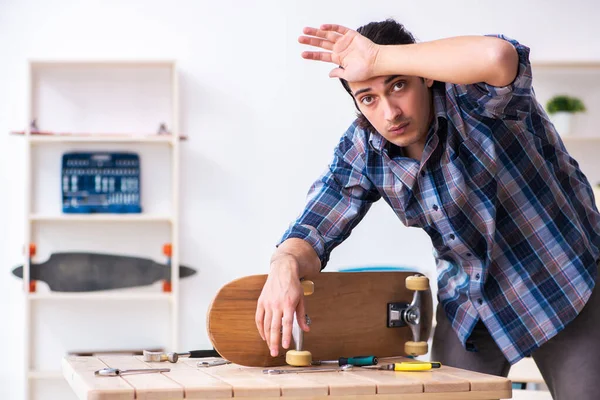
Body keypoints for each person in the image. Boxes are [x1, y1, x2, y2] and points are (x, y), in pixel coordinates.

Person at [255, 19, 600, 399]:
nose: (390, 113)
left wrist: (377, 57)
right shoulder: (362, 149)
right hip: (471, 303)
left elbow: (499, 55)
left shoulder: (475, 98)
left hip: (567, 280)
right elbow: (313, 227)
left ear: (425, 76)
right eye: (368, 97)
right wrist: (284, 263)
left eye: (398, 85)